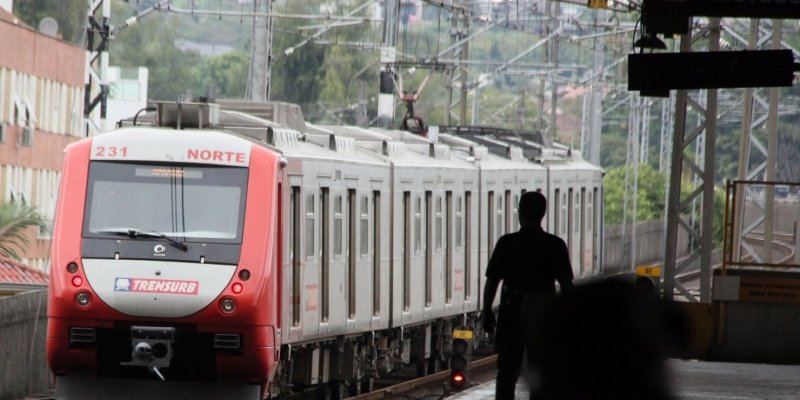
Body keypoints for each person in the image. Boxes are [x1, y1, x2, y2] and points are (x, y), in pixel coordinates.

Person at [482, 191, 574, 400]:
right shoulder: (555, 245)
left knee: (506, 372)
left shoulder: (507, 243)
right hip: (544, 318)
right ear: (543, 213)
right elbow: (567, 285)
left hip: (511, 315)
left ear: (519, 212)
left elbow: (492, 281)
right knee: (540, 370)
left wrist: (487, 311)